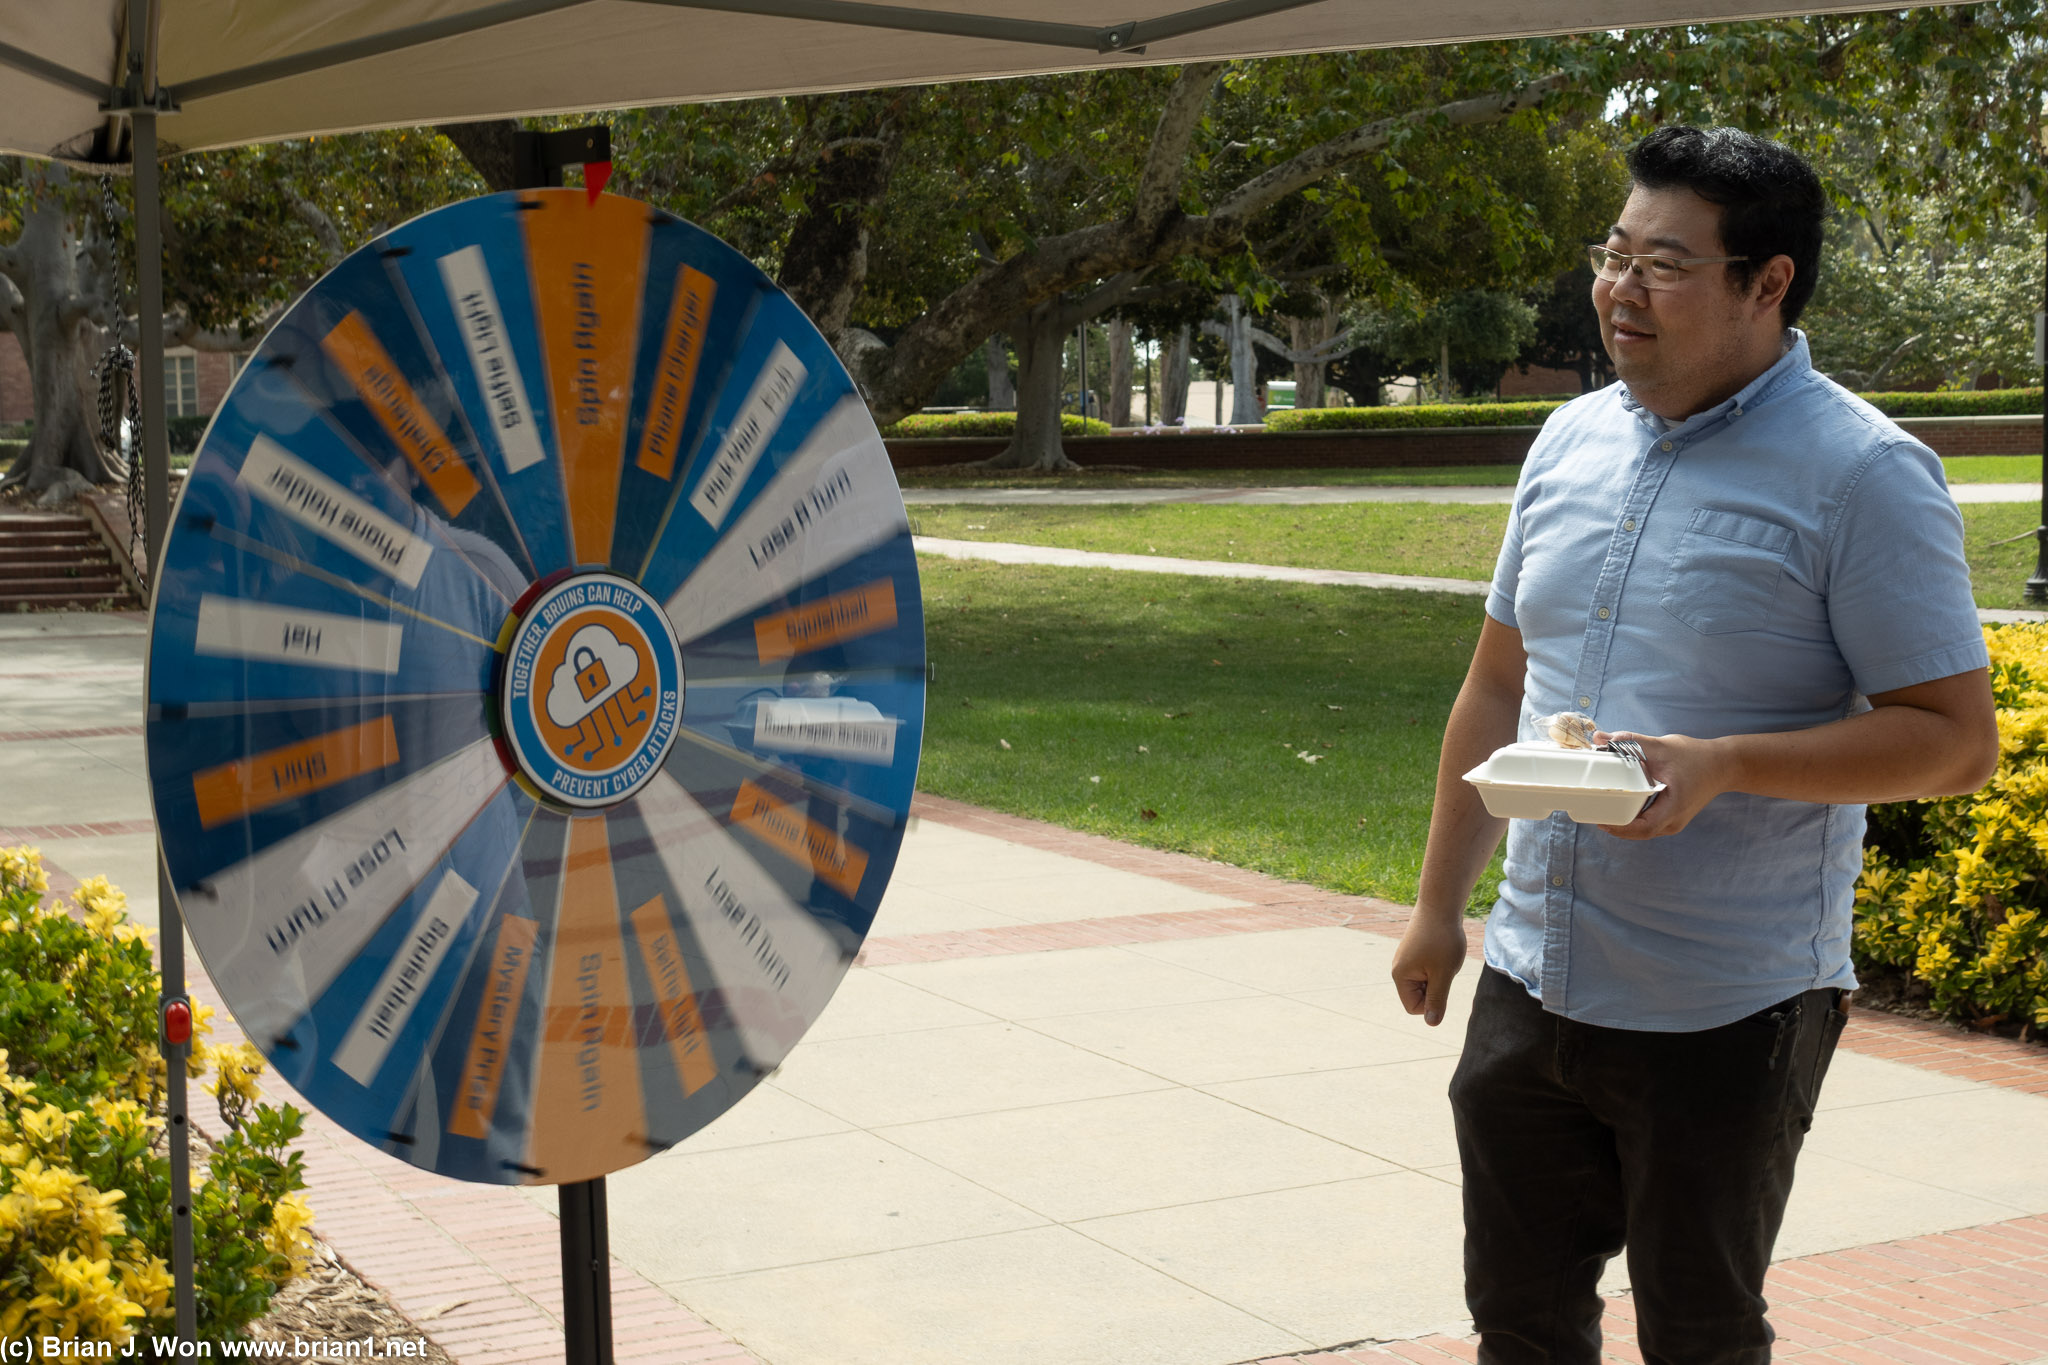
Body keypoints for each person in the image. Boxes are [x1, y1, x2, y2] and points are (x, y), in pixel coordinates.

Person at [1390, 125, 1999, 1364]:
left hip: (1723, 1001)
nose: (1619, 289)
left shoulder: (1863, 474)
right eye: (1613, 254)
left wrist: (1726, 765)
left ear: (1765, 282)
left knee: (1698, 1337)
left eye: (1663, 264)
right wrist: (1436, 909)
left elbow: (1951, 743)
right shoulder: (1567, 440)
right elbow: (1498, 683)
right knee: (1516, 1322)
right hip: (1530, 971)